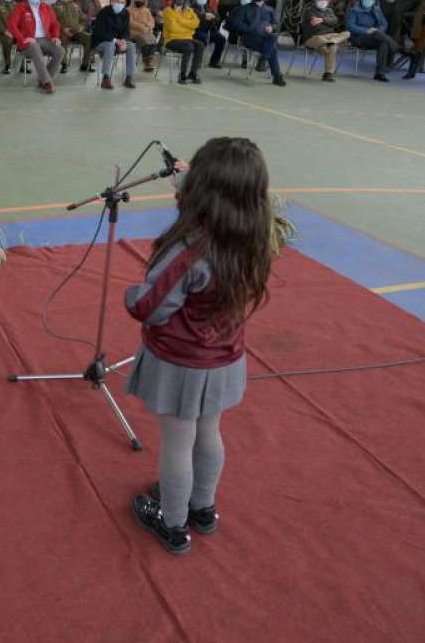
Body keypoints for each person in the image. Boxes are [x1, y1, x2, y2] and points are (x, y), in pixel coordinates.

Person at [126, 137, 275, 556]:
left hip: (180, 365)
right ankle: (203, 508)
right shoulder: (255, 235)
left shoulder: (189, 249)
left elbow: (149, 307)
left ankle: (172, 524)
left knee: (177, 442)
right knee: (209, 433)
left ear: (203, 190)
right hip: (224, 360)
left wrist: (130, 294)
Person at [6, 0, 64, 94]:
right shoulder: (20, 7)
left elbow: (55, 23)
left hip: (44, 39)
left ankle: (43, 79)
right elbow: (12, 26)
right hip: (28, 40)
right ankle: (47, 82)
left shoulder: (46, 7)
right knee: (34, 47)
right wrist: (23, 39)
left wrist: (55, 36)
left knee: (60, 51)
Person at [231, 0, 286, 86]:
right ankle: (277, 76)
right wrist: (250, 29)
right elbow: (237, 24)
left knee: (272, 38)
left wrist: (271, 27)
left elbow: (276, 24)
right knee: (272, 48)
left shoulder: (270, 9)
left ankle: (263, 58)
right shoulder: (244, 8)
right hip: (249, 38)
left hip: (265, 37)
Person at [90, 0, 137, 90]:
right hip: (100, 42)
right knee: (109, 45)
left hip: (117, 43)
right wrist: (116, 41)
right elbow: (100, 32)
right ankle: (105, 78)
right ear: (111, 1)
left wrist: (124, 40)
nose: (119, 4)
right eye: (117, 1)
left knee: (131, 46)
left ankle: (129, 78)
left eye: (122, 2)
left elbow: (126, 31)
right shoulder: (103, 12)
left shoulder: (126, 13)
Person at [301, 0, 350, 83]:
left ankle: (332, 43)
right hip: (313, 37)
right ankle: (328, 74)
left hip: (330, 36)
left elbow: (335, 21)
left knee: (347, 33)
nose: (324, 1)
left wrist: (322, 20)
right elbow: (314, 22)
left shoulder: (329, 10)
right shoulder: (309, 10)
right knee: (331, 47)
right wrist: (327, 21)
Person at [344, 0, 392, 83]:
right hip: (358, 38)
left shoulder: (376, 10)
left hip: (374, 37)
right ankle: (394, 46)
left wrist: (377, 30)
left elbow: (384, 24)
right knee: (383, 40)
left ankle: (379, 73)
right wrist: (366, 31)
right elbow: (350, 26)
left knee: (383, 43)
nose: (369, 0)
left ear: (375, 1)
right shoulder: (354, 10)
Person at [162, 0, 205, 84]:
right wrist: (188, 27)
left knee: (200, 45)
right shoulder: (167, 11)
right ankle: (182, 74)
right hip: (171, 40)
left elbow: (196, 24)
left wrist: (180, 21)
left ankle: (193, 73)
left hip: (187, 38)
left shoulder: (190, 10)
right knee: (188, 46)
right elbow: (172, 27)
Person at [52, 0, 90, 75]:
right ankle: (64, 64)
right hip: (61, 31)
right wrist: (62, 29)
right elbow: (52, 21)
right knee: (62, 39)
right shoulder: (54, 6)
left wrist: (81, 27)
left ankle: (86, 64)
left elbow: (83, 19)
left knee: (89, 37)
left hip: (76, 31)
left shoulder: (75, 6)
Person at [191, 0, 225, 78]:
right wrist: (204, 16)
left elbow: (217, 17)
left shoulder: (209, 7)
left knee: (221, 39)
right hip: (196, 30)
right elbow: (193, 17)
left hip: (209, 29)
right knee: (202, 38)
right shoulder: (191, 7)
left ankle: (214, 61)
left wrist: (213, 17)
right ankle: (197, 61)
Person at [128, 0, 158, 72]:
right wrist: (142, 27)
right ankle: (146, 62)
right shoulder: (129, 10)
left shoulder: (147, 10)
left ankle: (149, 61)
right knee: (145, 42)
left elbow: (152, 21)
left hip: (146, 32)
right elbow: (130, 23)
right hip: (133, 34)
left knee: (153, 41)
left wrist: (149, 27)